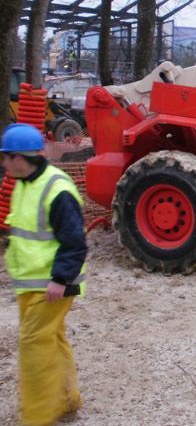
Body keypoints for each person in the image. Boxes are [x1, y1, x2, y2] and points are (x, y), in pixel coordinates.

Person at [1, 123, 87, 426]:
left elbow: (75, 243)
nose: (4, 163)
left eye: (6, 157)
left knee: (33, 344)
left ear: (21, 158)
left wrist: (60, 280)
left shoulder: (57, 189)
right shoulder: (25, 184)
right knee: (51, 337)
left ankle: (38, 416)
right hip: (33, 282)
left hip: (54, 284)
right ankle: (66, 401)